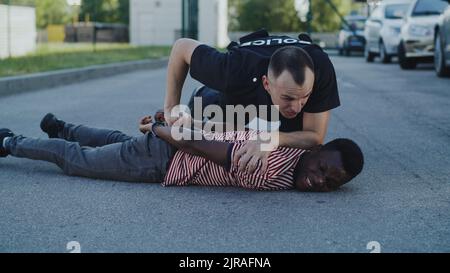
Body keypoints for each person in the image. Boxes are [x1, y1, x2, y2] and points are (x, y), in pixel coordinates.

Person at [0, 113, 364, 192]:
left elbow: (230, 129)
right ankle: (10, 142)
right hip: (169, 156)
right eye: (323, 168)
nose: (319, 180)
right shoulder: (271, 166)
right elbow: (201, 146)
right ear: (317, 151)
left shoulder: (284, 143)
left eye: (331, 183)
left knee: (114, 140)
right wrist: (162, 130)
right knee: (80, 160)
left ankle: (62, 127)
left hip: (172, 144)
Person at [164, 29, 341, 174]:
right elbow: (182, 47)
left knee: (292, 137)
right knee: (216, 133)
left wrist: (271, 139)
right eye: (288, 98)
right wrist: (171, 109)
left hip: (270, 107)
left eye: (305, 97)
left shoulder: (320, 69)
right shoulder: (232, 69)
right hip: (232, 100)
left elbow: (314, 136)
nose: (297, 106)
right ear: (267, 83)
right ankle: (204, 97)